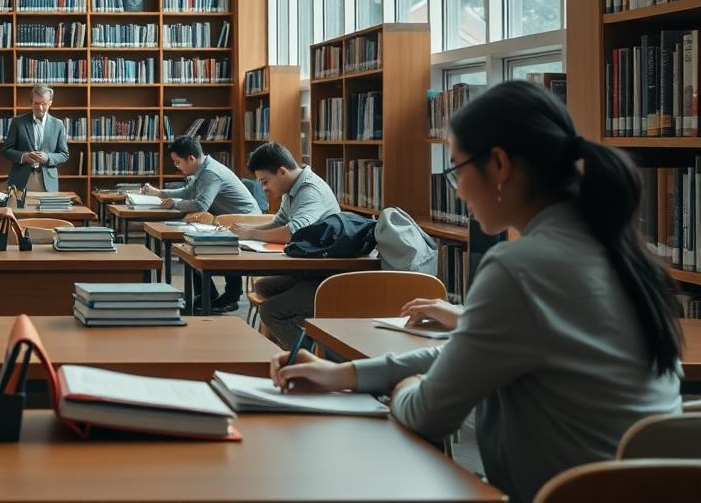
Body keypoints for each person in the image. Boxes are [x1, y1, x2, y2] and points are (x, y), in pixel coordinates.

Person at [269, 80, 682, 503]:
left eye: (457, 171)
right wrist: (347, 374)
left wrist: (407, 386)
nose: (459, 190)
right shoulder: (624, 256)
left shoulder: (519, 268)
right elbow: (470, 352)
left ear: (499, 164)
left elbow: (428, 415)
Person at [232, 141, 342, 346]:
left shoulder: (310, 191)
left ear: (282, 172)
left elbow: (294, 232)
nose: (264, 188)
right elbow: (279, 222)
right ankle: (289, 339)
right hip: (308, 269)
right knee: (264, 286)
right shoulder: (291, 189)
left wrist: (252, 234)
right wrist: (244, 232)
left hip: (327, 276)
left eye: (265, 181)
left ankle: (312, 355)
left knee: (270, 311)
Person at [142, 136, 259, 313]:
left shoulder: (211, 173)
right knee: (190, 247)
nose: (176, 166)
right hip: (225, 221)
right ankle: (207, 295)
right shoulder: (202, 170)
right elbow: (188, 192)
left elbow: (201, 204)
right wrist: (160, 193)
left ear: (190, 158)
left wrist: (174, 203)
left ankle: (230, 296)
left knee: (198, 246)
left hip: (244, 222)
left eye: (177, 162)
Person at [2, 83, 69, 192]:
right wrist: (24, 156)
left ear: (50, 103)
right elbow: (6, 150)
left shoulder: (58, 125)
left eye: (44, 104)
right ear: (31, 103)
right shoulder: (17, 122)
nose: (40, 108)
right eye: (36, 103)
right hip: (21, 180)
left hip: (48, 181)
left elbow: (64, 154)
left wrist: (48, 157)